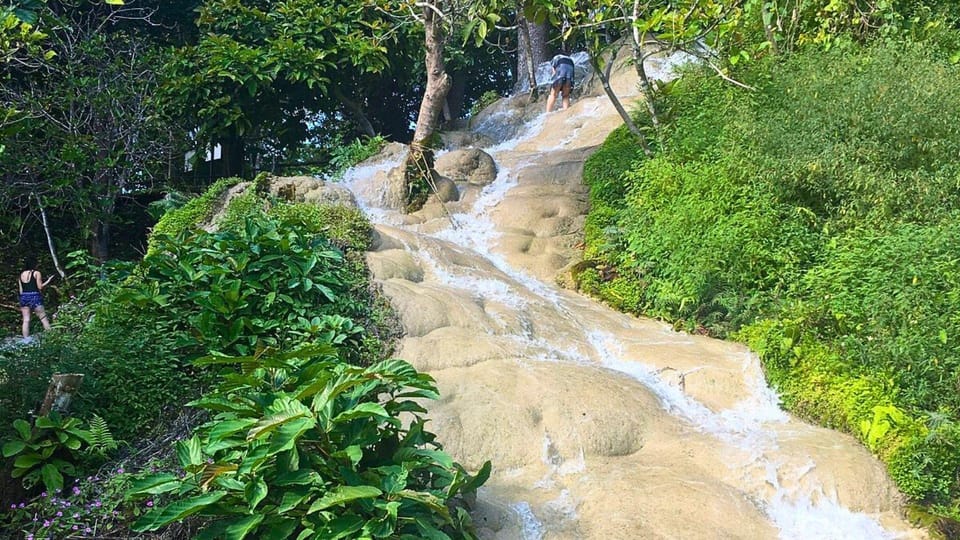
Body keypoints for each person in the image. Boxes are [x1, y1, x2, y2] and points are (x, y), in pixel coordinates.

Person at [17, 255, 54, 339]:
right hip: (35, 296)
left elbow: (21, 291)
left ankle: (26, 340)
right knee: (43, 318)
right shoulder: (36, 273)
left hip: (24, 297)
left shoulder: (21, 275)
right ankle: (52, 338)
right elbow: (40, 287)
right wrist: (48, 281)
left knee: (26, 320)